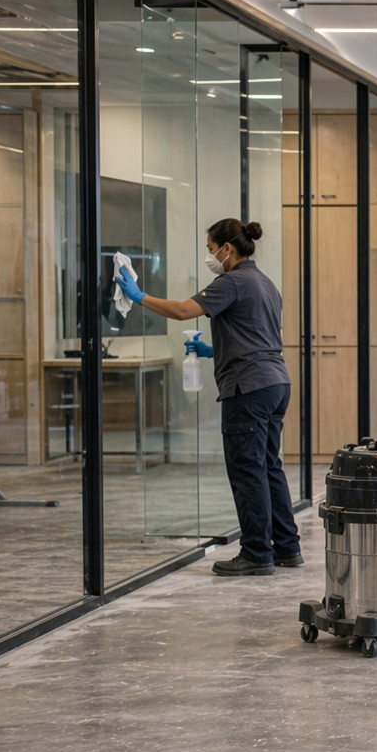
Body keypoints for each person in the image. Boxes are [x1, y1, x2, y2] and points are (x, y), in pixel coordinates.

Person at [115, 219, 302, 576]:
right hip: (276, 384)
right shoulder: (266, 283)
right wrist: (210, 350)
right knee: (268, 467)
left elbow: (185, 310)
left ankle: (257, 554)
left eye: (209, 248)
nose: (209, 255)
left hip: (247, 389)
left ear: (226, 248)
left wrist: (140, 297)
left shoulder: (231, 281)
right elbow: (266, 337)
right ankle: (287, 548)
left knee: (248, 472)